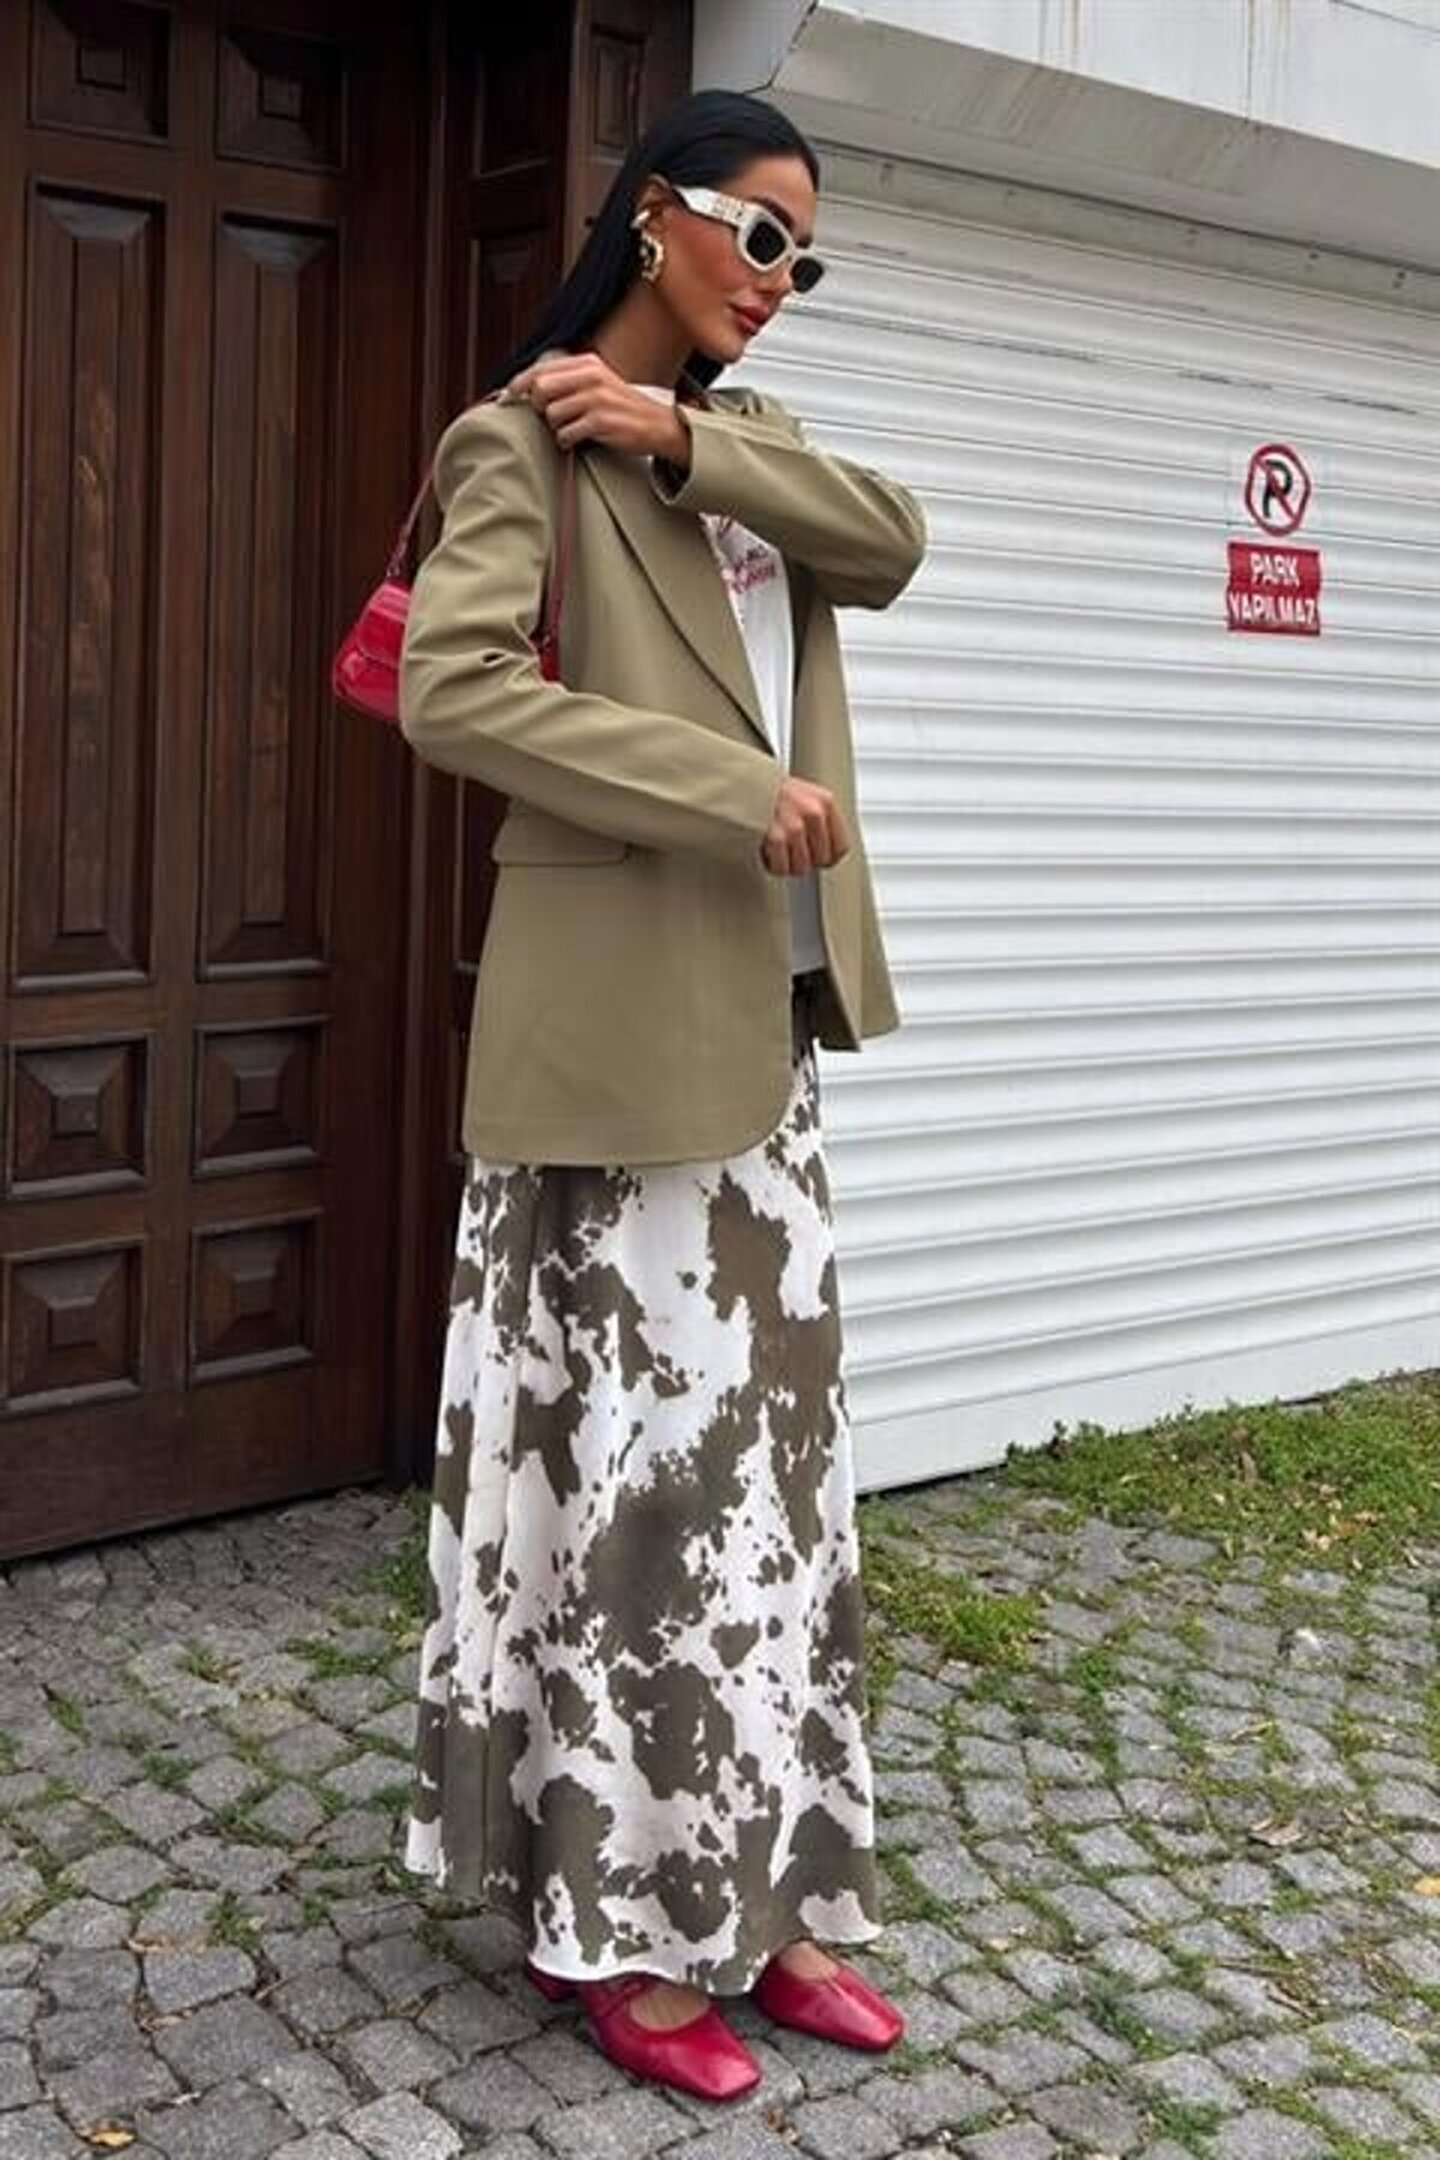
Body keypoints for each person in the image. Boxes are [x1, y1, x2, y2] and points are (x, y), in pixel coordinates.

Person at [397, 87, 927, 2104]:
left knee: (769, 1513)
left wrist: (684, 435)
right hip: (612, 1064)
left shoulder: (749, 449)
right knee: (628, 1509)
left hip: (763, 1053)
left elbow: (894, 541)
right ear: (653, 216)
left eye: (807, 255)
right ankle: (613, 1927)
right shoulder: (512, 445)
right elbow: (455, 692)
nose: (781, 278)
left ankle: (765, 1900)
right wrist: (731, 792)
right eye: (760, 233)